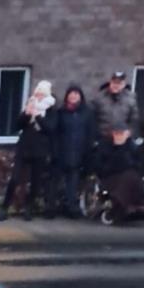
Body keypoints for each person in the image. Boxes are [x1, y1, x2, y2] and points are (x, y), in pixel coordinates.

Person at [0, 80, 58, 221]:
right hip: (24, 148)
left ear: (47, 95)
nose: (39, 96)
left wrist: (37, 116)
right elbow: (17, 125)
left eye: (42, 94)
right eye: (37, 93)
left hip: (40, 150)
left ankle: (28, 208)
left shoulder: (51, 110)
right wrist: (26, 114)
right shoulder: (30, 104)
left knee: (35, 182)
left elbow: (50, 129)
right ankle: (4, 207)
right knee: (14, 179)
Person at [51, 84, 97, 218]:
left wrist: (88, 151)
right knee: (56, 182)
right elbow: (56, 133)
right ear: (67, 96)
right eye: (71, 94)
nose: (73, 96)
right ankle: (53, 208)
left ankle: (71, 208)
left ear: (81, 96)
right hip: (62, 151)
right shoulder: (61, 112)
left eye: (76, 94)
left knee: (73, 183)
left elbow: (91, 133)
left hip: (79, 153)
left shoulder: (87, 113)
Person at [93, 71, 139, 140]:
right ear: (110, 82)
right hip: (103, 138)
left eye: (119, 83)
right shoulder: (99, 98)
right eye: (114, 82)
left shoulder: (131, 99)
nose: (116, 85)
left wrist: (129, 133)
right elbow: (93, 118)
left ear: (124, 84)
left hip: (121, 139)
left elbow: (134, 120)